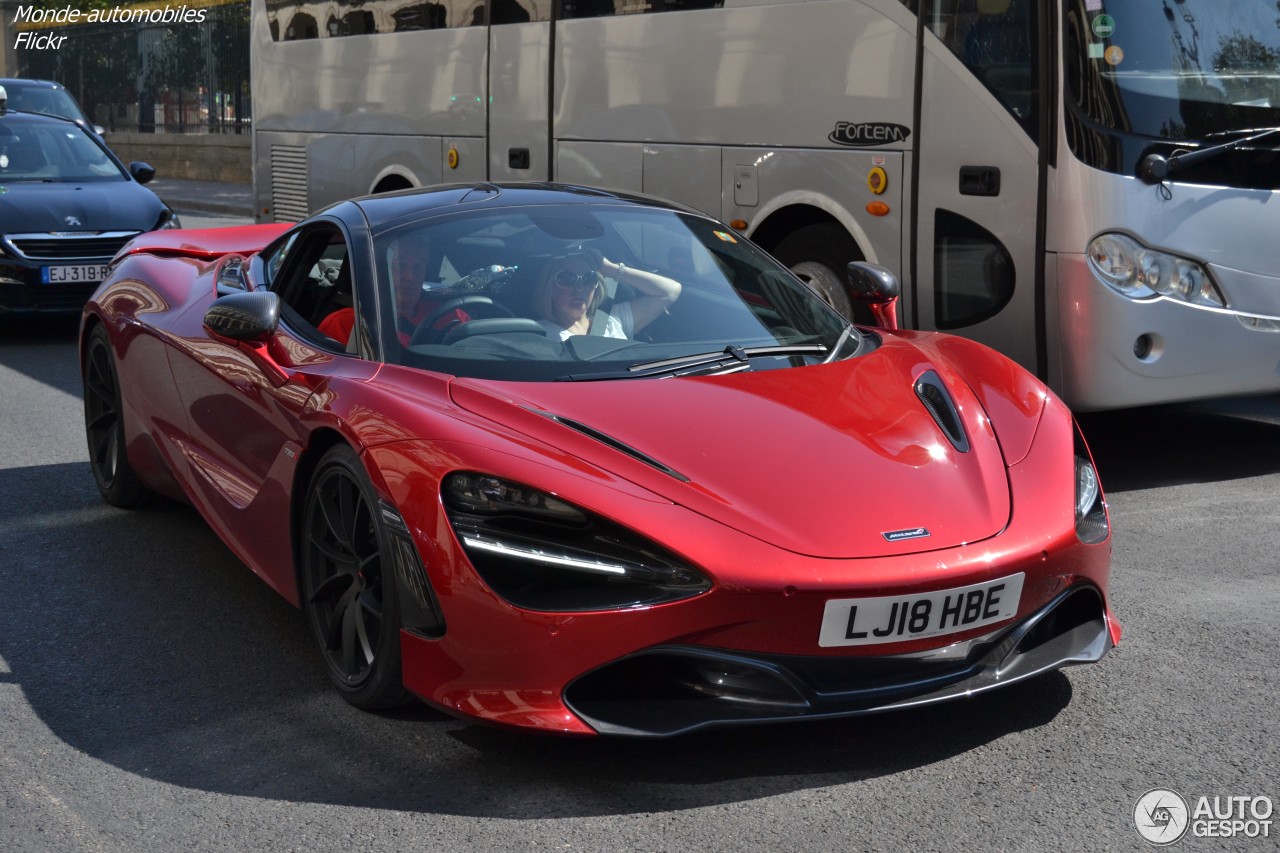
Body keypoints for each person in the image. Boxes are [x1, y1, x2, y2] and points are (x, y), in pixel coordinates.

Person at [318, 236, 468, 347]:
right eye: (400, 266)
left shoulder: (452, 316)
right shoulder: (346, 324)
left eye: (418, 267)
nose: (410, 277)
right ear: (381, 271)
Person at [534, 248, 681, 341]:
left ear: (596, 286)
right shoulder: (539, 335)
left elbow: (670, 291)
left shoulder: (609, 320)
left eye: (588, 278)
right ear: (549, 287)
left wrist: (610, 268)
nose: (579, 288)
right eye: (567, 278)